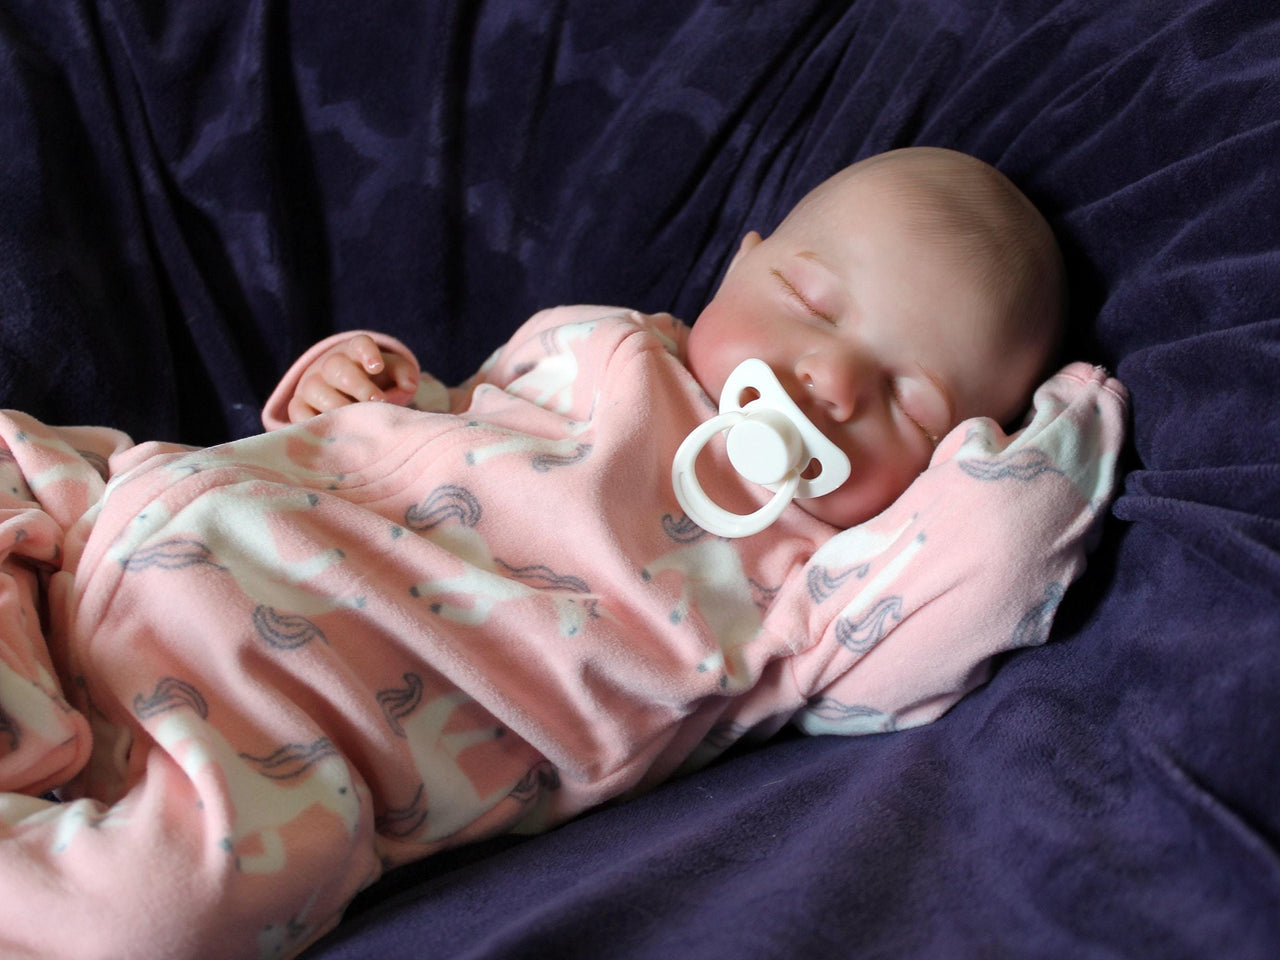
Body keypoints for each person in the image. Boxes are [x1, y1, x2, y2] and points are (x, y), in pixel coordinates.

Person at [0, 147, 1125, 959]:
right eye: (808, 300)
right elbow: (436, 413)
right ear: (740, 265)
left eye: (908, 402)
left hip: (259, 743)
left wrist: (1070, 415)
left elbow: (990, 558)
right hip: (136, 508)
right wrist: (352, 375)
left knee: (150, 923)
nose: (831, 379)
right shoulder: (599, 342)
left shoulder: (810, 595)